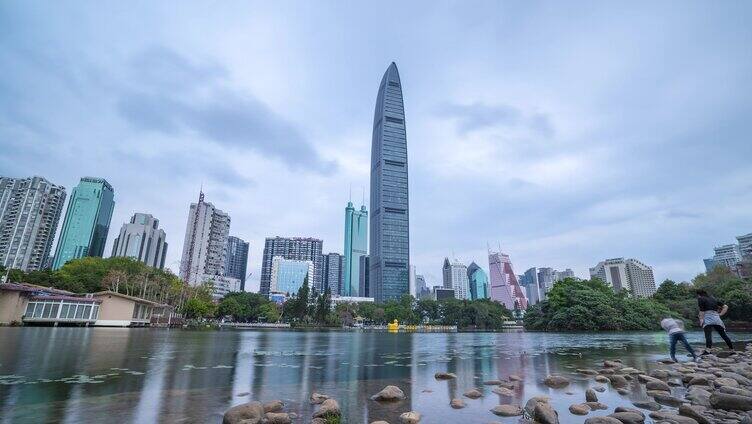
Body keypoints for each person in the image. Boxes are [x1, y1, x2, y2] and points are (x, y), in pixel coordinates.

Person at [696, 289, 733, 354]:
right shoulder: (713, 299)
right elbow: (726, 306)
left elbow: (702, 311)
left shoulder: (701, 299)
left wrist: (701, 320)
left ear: (699, 294)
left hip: (708, 318)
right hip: (716, 318)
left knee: (708, 335)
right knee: (723, 335)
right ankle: (732, 350)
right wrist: (720, 314)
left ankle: (708, 351)